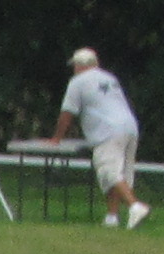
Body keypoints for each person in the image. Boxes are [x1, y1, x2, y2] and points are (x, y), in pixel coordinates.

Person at [54, 49, 146, 231]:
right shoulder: (110, 78)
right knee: (121, 173)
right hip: (130, 127)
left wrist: (56, 138)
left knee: (109, 171)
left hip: (107, 131)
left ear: (78, 66)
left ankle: (135, 206)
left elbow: (67, 113)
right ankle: (112, 217)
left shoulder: (77, 82)